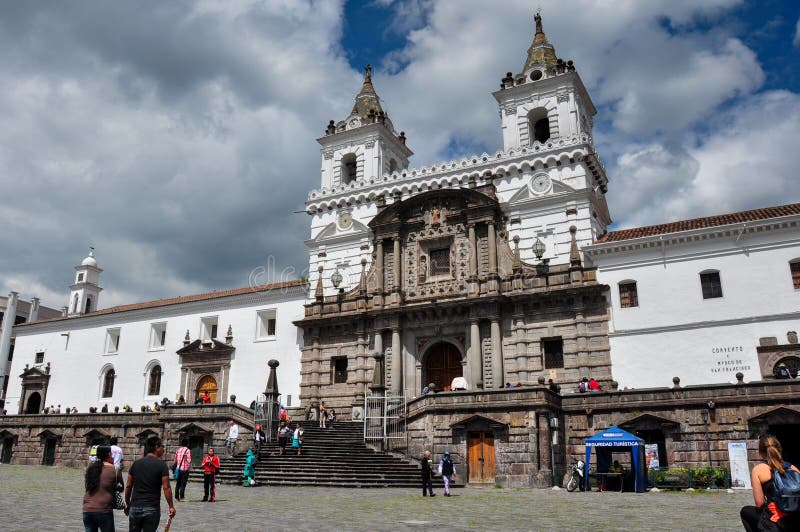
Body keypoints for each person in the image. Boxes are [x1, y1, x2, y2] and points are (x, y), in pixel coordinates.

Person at [741, 434, 800, 531]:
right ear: (779, 449)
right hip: (795, 519)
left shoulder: (758, 470)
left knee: (745, 511)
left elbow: (760, 504)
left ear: (761, 452)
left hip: (774, 521)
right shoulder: (793, 468)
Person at [125, 436, 175, 532]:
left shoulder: (136, 464)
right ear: (157, 447)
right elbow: (166, 487)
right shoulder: (161, 465)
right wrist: (171, 506)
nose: (163, 449)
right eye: (162, 446)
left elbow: (128, 486)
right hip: (151, 508)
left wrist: (128, 504)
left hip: (135, 507)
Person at [83, 445, 117, 532]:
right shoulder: (112, 468)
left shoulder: (90, 468)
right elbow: (118, 486)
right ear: (109, 454)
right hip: (103, 510)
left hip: (87, 509)